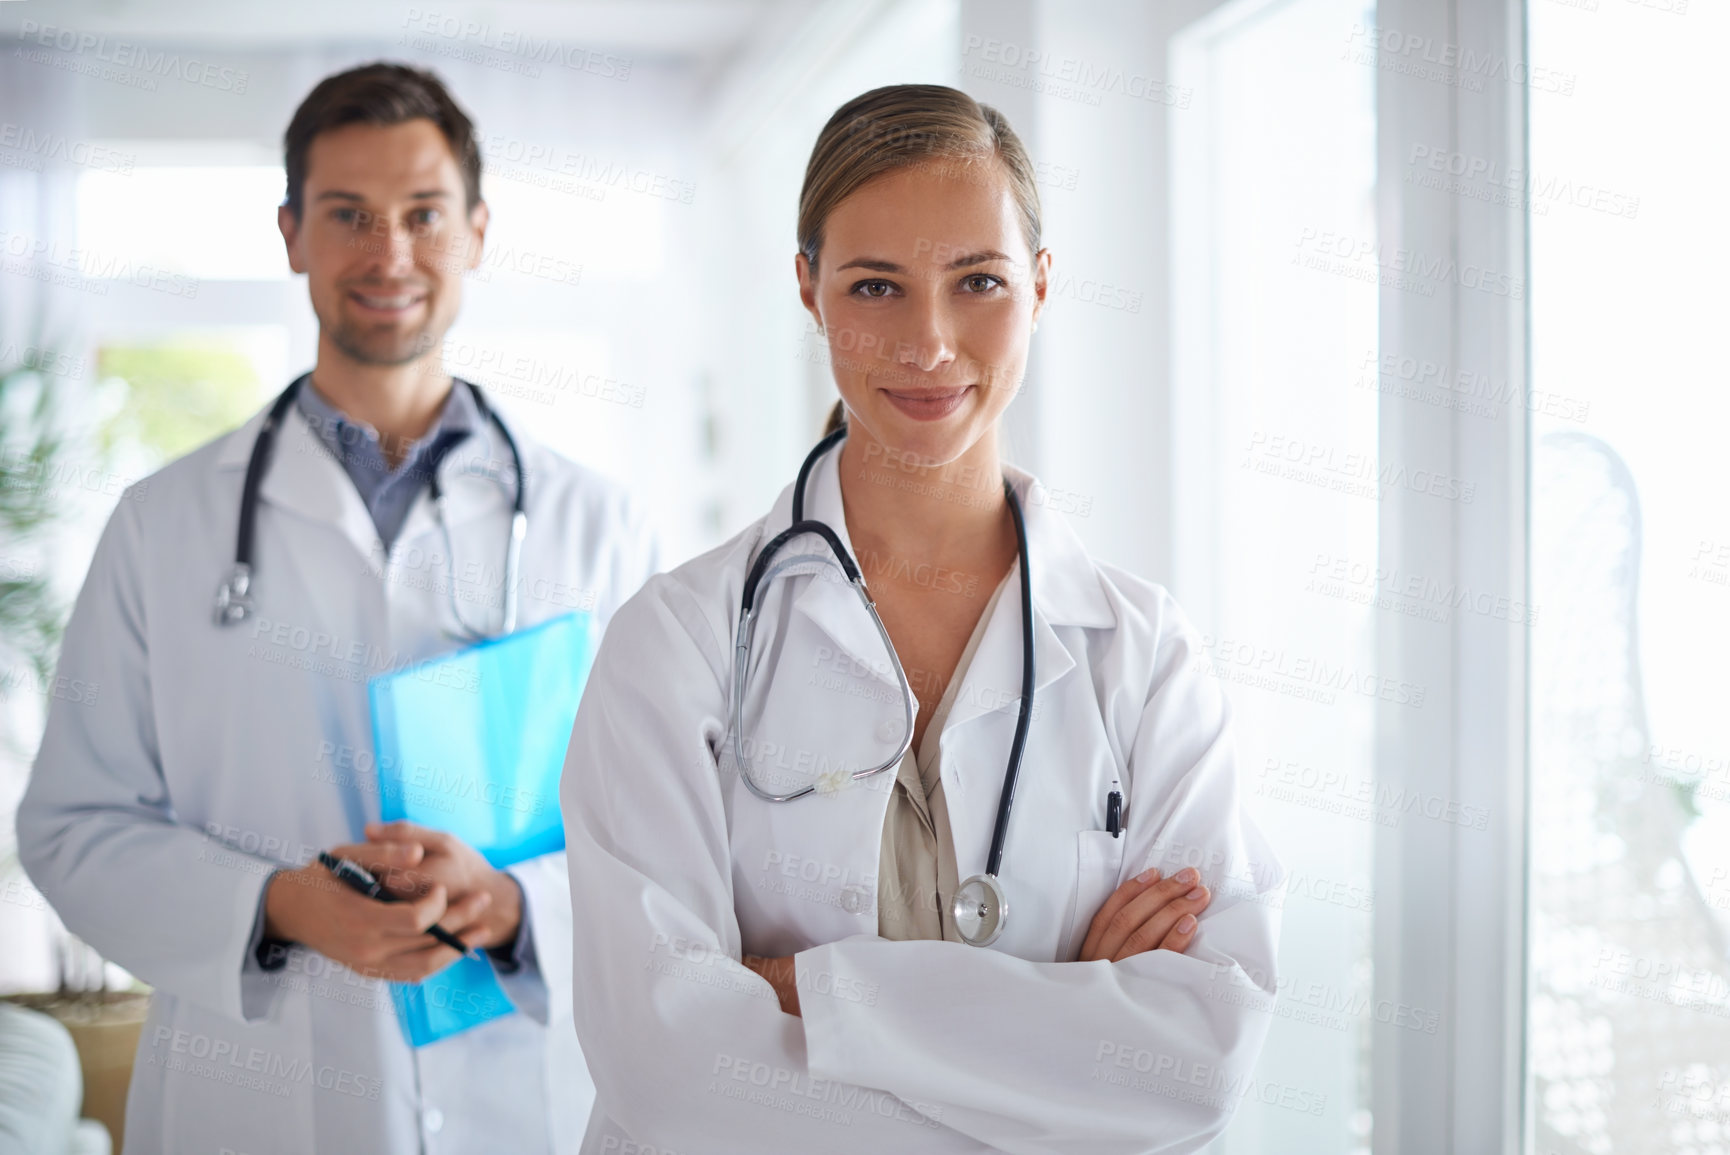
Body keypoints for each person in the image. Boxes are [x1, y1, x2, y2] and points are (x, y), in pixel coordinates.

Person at [559, 84, 1281, 1154]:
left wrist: (809, 995)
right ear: (807, 288)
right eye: (874, 286)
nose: (928, 342)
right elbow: (667, 1073)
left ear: (1039, 285)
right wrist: (1053, 1024)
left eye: (978, 281)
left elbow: (1195, 1064)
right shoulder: (675, 643)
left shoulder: (1144, 656)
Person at [17, 62, 657, 1155]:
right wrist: (273, 905)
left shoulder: (597, 526)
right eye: (349, 215)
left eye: (422, 215)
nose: (389, 253)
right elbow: (70, 829)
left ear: (477, 232)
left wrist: (511, 905)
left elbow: (666, 838)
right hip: (254, 1102)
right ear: (290, 234)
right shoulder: (165, 525)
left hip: (523, 1102)